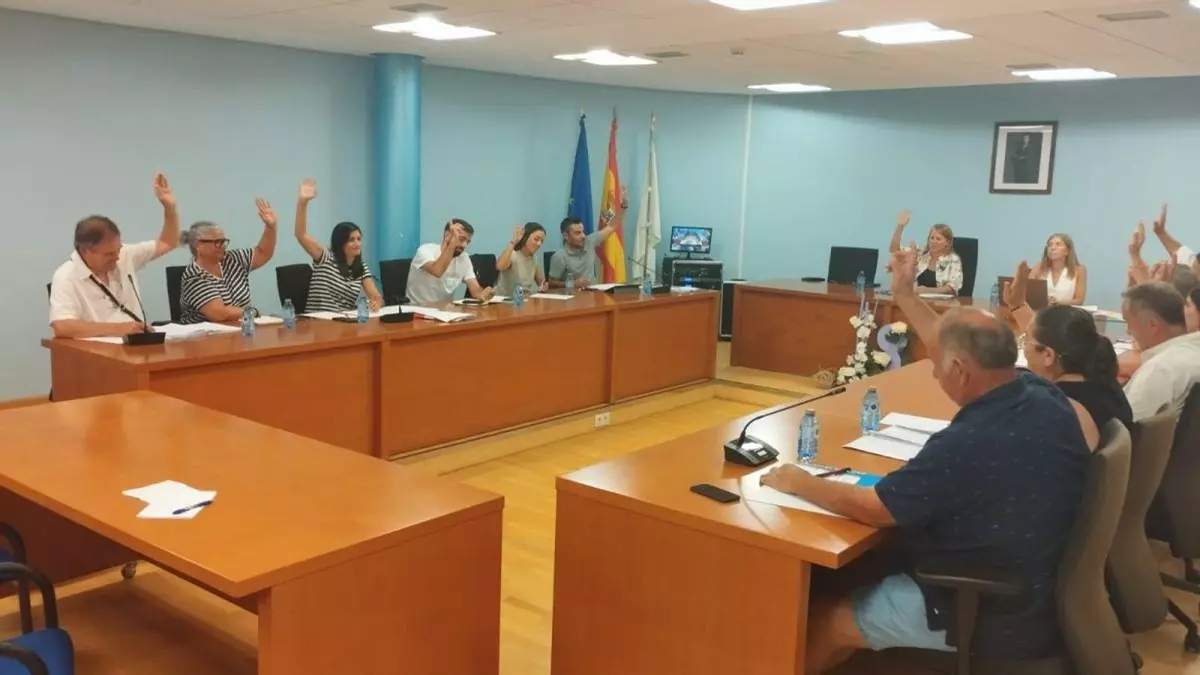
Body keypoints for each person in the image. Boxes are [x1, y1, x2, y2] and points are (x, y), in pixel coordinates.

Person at [761, 250, 1089, 674]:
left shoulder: (967, 443)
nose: (934, 374)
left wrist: (798, 481)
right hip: (1034, 579)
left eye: (936, 366)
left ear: (960, 370)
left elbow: (876, 508)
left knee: (829, 620)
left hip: (985, 606)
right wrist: (905, 294)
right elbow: (945, 338)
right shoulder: (1042, 394)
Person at [1004, 261, 1132, 448]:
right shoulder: (1103, 382)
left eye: (1026, 342)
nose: (1025, 349)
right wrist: (1017, 306)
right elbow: (1049, 335)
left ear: (1048, 356)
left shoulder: (1057, 407)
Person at [49, 173, 181, 338]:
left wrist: (170, 208)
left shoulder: (124, 255)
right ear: (85, 251)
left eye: (118, 249)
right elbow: (62, 326)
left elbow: (167, 242)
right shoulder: (66, 276)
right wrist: (118, 328)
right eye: (109, 254)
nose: (117, 257)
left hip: (138, 345)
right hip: (98, 350)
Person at [177, 199, 278, 324]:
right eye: (217, 242)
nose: (223, 246)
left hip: (242, 330)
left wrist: (271, 228)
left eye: (223, 241)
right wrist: (254, 312)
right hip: (207, 335)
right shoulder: (194, 276)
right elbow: (220, 314)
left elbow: (263, 253)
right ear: (198, 245)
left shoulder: (232, 259)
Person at [294, 179, 383, 313]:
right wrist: (303, 202)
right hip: (318, 320)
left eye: (359, 239)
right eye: (351, 240)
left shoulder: (361, 267)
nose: (357, 243)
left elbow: (375, 296)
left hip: (345, 321)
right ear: (341, 243)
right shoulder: (326, 257)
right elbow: (301, 234)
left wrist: (376, 302)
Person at [1121, 281, 1200, 420]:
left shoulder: (1160, 369)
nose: (1128, 331)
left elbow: (1129, 424)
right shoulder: (1193, 351)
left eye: (1128, 322)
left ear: (1152, 325)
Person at [548, 187, 627, 289]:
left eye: (582, 231)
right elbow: (551, 283)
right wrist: (572, 284)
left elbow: (612, 227)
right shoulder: (559, 256)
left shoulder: (589, 241)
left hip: (594, 292)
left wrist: (623, 206)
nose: (583, 236)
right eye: (577, 233)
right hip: (573, 296)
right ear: (566, 236)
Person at [407, 219, 494, 305]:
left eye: (467, 242)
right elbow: (437, 271)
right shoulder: (425, 250)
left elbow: (475, 288)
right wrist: (453, 243)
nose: (464, 245)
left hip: (445, 310)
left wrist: (482, 294)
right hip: (418, 308)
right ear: (447, 235)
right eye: (461, 239)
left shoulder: (464, 258)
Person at [889, 210, 963, 295]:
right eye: (932, 238)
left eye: (938, 239)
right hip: (918, 299)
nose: (933, 241)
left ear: (947, 242)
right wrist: (900, 226)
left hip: (943, 302)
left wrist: (927, 290)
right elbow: (894, 250)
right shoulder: (921, 253)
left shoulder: (953, 259)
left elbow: (951, 287)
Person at [1030, 233, 1087, 305]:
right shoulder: (1039, 267)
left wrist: (1059, 303)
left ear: (1067, 251)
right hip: (1042, 310)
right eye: (1050, 245)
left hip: (1067, 310)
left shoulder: (1079, 270)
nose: (1053, 248)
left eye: (1058, 244)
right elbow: (1028, 294)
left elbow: (1079, 300)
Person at [495, 222, 547, 297]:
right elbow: (500, 266)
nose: (539, 244)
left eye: (542, 241)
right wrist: (513, 243)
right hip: (506, 301)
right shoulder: (513, 254)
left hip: (525, 299)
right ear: (525, 238)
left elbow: (541, 282)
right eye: (536, 239)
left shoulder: (534, 258)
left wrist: (544, 286)